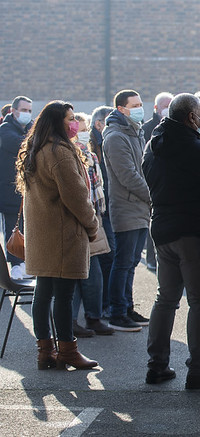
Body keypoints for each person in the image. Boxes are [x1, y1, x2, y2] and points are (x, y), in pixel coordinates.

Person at [142, 93, 200, 388]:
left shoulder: (152, 147)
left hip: (163, 228)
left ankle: (156, 365)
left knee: (166, 298)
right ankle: (198, 369)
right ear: (191, 117)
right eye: (199, 116)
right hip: (196, 231)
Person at [16, 100, 99, 370]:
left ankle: (45, 351)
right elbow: (76, 198)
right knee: (63, 295)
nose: (74, 123)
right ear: (57, 122)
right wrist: (92, 225)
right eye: (70, 118)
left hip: (42, 236)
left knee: (43, 293)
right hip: (63, 235)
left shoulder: (36, 148)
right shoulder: (60, 152)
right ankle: (67, 351)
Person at [103, 89, 151, 332]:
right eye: (135, 104)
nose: (140, 108)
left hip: (140, 207)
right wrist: (153, 196)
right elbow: (128, 176)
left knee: (131, 262)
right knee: (122, 263)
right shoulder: (115, 137)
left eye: (141, 103)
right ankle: (117, 312)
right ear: (121, 109)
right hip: (127, 207)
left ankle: (127, 306)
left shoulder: (135, 132)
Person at [71, 113, 114, 337]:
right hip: (81, 220)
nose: (84, 132)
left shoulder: (91, 155)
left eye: (86, 127)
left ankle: (93, 317)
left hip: (95, 217)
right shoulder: (72, 154)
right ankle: (77, 320)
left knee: (93, 272)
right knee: (81, 273)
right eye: (81, 127)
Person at [1, 95, 33, 280]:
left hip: (25, 189)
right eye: (23, 110)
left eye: (29, 110)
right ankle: (15, 264)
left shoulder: (30, 128)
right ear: (13, 111)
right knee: (13, 227)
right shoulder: (5, 129)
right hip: (9, 189)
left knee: (25, 228)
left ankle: (25, 262)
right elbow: (20, 145)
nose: (27, 114)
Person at [141, 92, 173, 272]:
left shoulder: (178, 127)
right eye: (164, 106)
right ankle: (152, 258)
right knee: (153, 220)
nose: (167, 109)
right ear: (156, 108)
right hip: (152, 180)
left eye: (170, 105)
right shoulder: (147, 129)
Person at [89, 105, 115, 316]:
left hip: (109, 206)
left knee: (111, 255)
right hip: (98, 209)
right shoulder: (92, 146)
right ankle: (104, 305)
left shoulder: (110, 142)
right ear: (99, 124)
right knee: (106, 255)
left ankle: (110, 303)